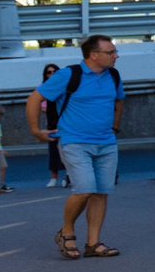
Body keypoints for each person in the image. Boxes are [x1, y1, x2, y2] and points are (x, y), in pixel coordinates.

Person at [28, 34, 125, 257]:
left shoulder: (113, 75)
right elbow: (34, 99)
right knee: (84, 188)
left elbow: (119, 100)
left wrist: (115, 127)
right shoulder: (68, 75)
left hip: (106, 143)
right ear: (94, 55)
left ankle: (93, 243)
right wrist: (36, 130)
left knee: (101, 192)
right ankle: (67, 232)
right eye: (110, 52)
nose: (115, 55)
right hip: (75, 141)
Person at [37, 60, 70, 189]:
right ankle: (53, 177)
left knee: (69, 149)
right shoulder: (43, 88)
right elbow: (39, 105)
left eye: (54, 72)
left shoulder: (65, 87)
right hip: (52, 123)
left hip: (66, 121)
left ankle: (69, 175)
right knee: (53, 150)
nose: (52, 74)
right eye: (49, 72)